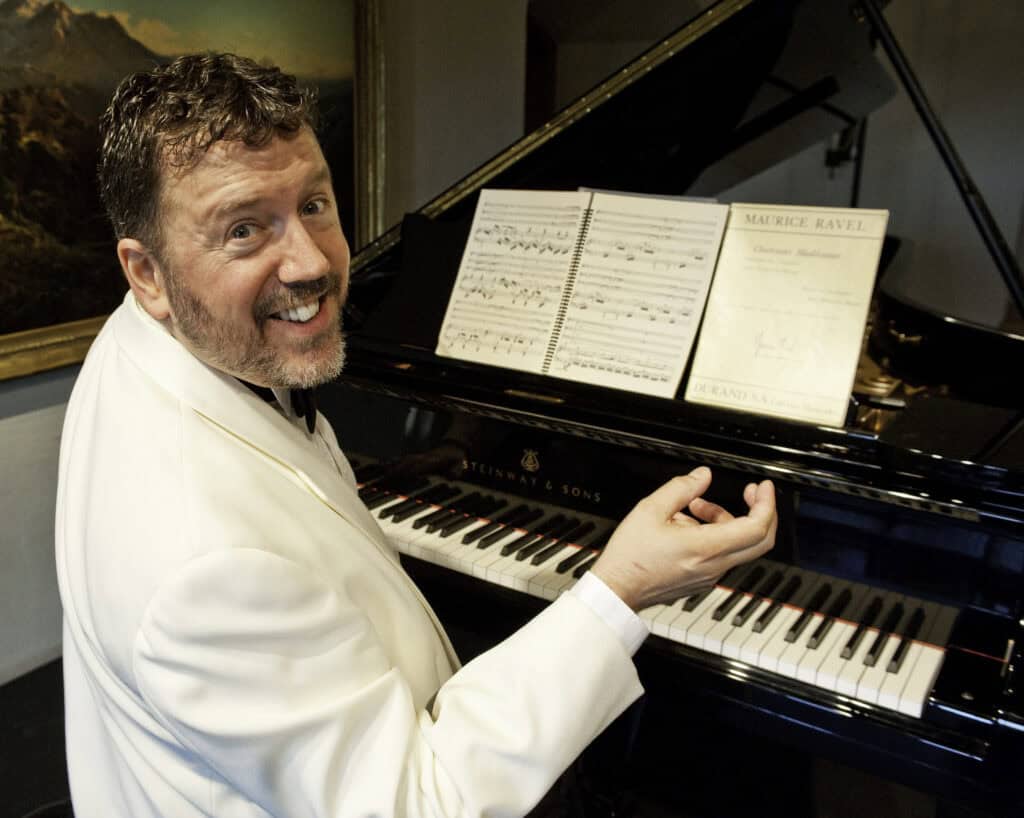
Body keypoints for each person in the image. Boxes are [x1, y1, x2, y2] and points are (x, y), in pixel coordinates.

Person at [55, 53, 776, 818]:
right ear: (147, 273)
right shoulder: (205, 570)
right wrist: (621, 588)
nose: (312, 263)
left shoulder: (152, 341)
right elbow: (416, 803)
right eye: (243, 228)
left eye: (314, 204)